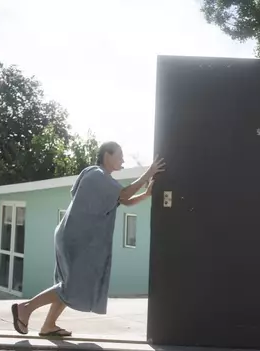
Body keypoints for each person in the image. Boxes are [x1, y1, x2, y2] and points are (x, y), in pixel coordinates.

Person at [10, 141, 166, 337]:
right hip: (75, 238)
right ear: (107, 155)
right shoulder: (97, 176)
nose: (123, 160)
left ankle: (48, 325)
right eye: (119, 155)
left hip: (73, 236)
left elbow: (125, 201)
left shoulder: (101, 178)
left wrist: (146, 194)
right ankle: (25, 308)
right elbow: (124, 194)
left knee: (69, 284)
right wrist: (149, 172)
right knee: (71, 286)